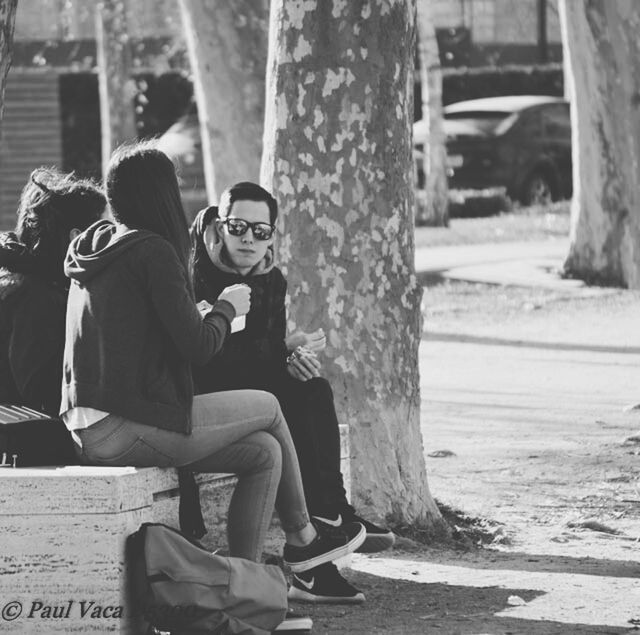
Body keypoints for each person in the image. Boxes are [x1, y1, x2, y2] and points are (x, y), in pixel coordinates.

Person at [61, 142, 364, 586]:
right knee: (269, 405)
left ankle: (243, 589)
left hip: (89, 426)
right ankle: (305, 536)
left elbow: (147, 336)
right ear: (162, 193)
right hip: (126, 425)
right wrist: (225, 308)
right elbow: (200, 348)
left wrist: (206, 317)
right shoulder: (154, 251)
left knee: (265, 452)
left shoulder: (98, 247)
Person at [190, 182, 395, 605]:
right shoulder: (194, 274)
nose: (248, 239)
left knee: (312, 387)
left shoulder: (272, 280)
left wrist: (291, 358)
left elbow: (263, 355)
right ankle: (314, 549)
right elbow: (205, 357)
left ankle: (331, 511)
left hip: (255, 388)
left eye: (261, 231)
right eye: (238, 227)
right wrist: (275, 358)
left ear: (272, 235)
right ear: (219, 224)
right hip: (206, 396)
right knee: (284, 402)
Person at [0, 167, 106, 416]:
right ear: (77, 238)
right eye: (104, 231)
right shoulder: (38, 295)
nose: (111, 240)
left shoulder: (33, 280)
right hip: (26, 439)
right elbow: (40, 392)